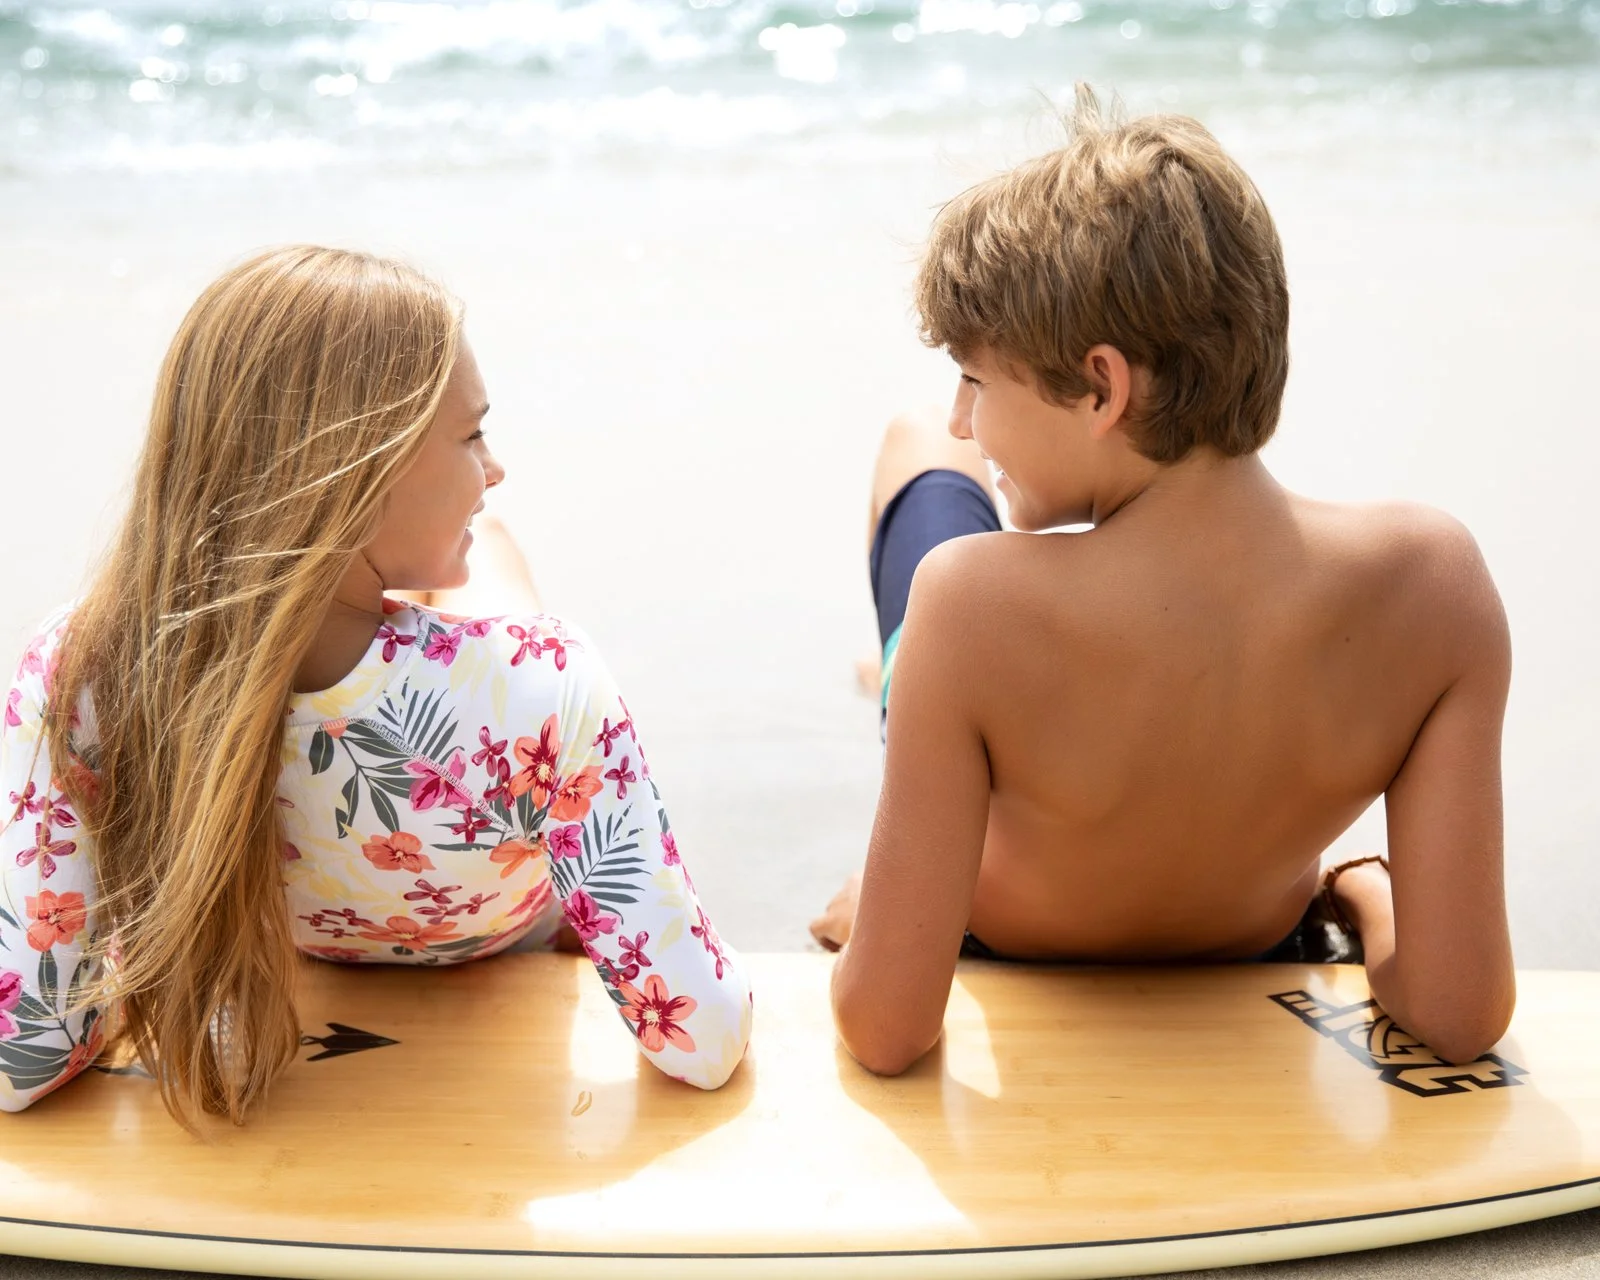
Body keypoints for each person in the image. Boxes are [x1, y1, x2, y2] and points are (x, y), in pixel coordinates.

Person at [813, 87, 1514, 1076]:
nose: (966, 416)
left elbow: (886, 1029)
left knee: (912, 442)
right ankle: (908, 688)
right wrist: (1355, 879)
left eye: (975, 376)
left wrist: (876, 915)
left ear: (1101, 386)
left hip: (1010, 910)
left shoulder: (966, 600)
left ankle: (901, 685)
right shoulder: (1434, 583)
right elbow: (1455, 1011)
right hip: (1252, 934)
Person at [0, 246, 751, 1123]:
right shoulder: (546, 686)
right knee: (495, 569)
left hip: (297, 927)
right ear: (362, 469)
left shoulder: (80, 665)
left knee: (443, 598)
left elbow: (26, 1056)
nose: (495, 464)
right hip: (497, 927)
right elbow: (702, 1040)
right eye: (473, 436)